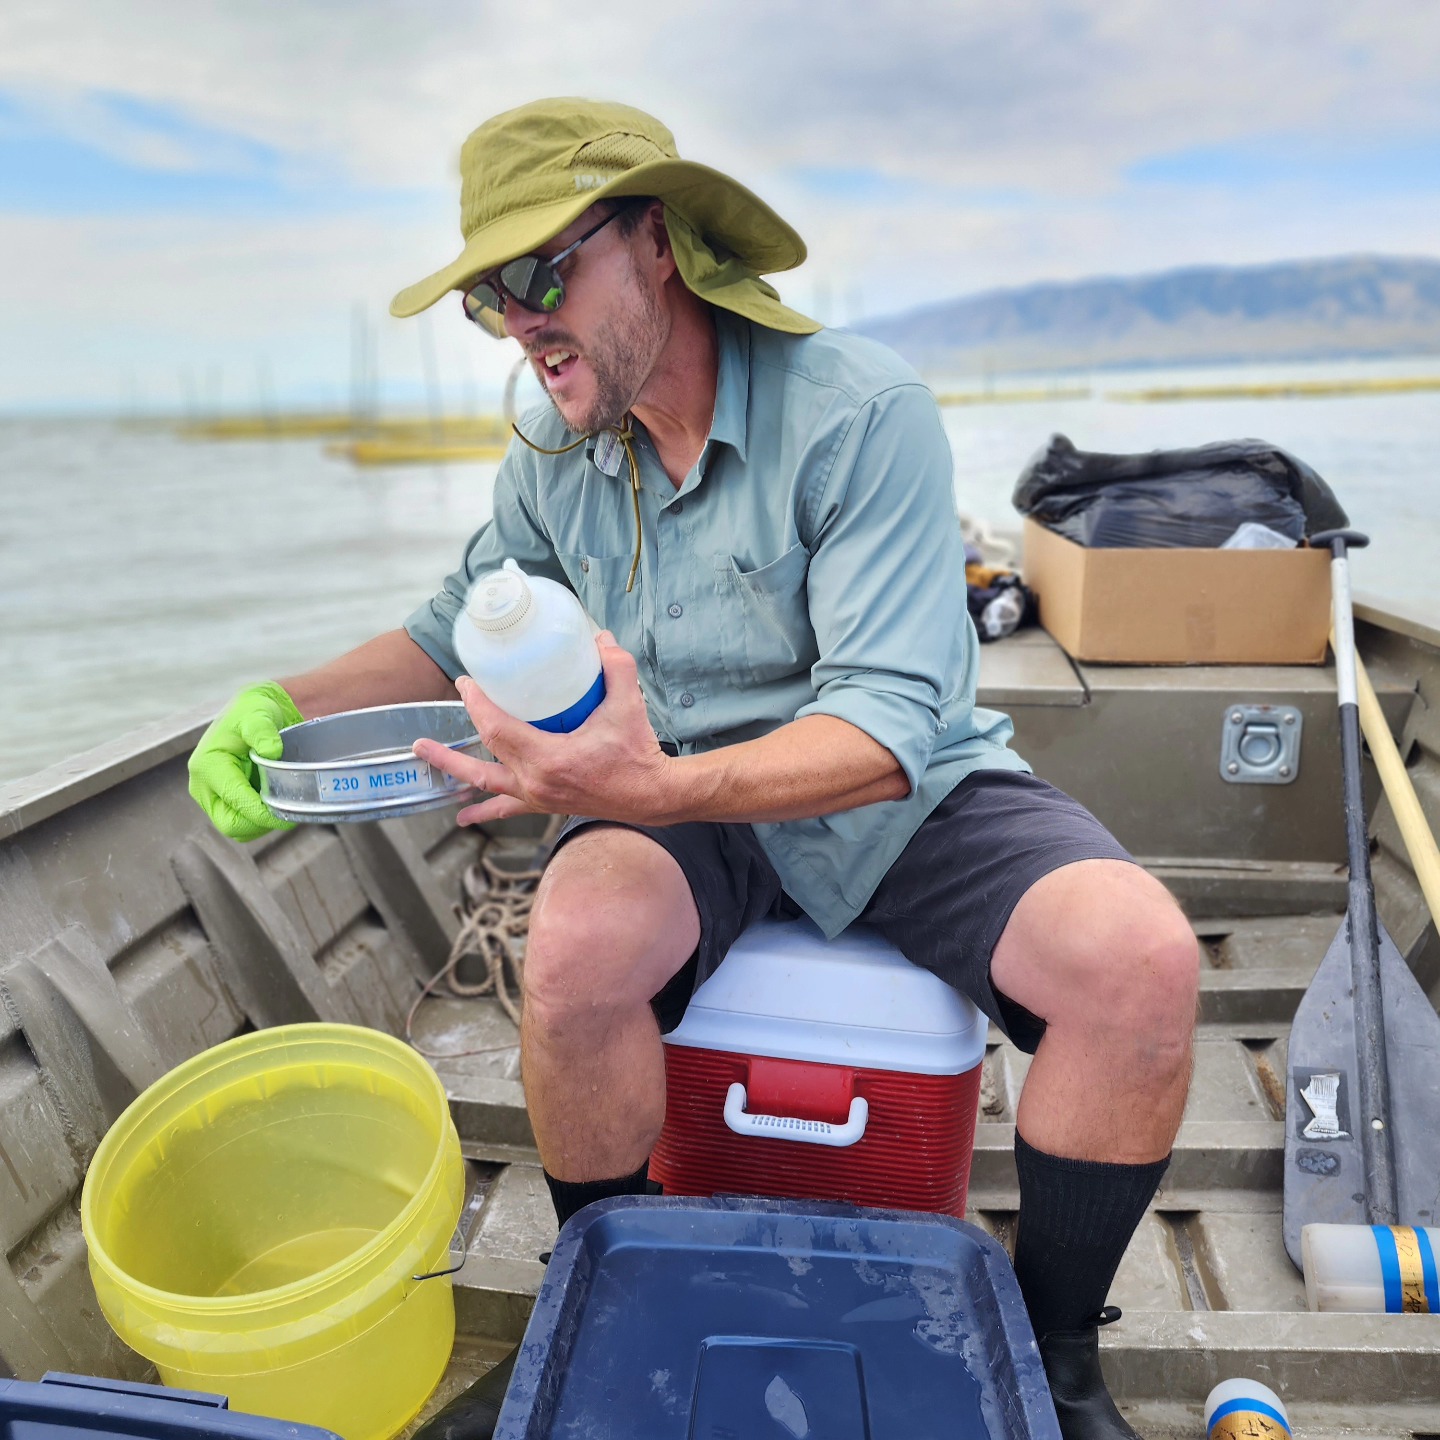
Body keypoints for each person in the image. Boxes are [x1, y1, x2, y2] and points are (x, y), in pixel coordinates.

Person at [188, 99, 1198, 1440]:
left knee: (1141, 962)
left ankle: (1061, 1354)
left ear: (656, 243)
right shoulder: (554, 446)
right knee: (576, 943)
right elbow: (452, 632)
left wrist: (639, 789)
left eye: (543, 274)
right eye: (488, 297)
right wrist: (279, 705)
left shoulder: (862, 412)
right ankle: (596, 1295)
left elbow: (888, 729)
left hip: (900, 796)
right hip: (674, 792)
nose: (518, 323)